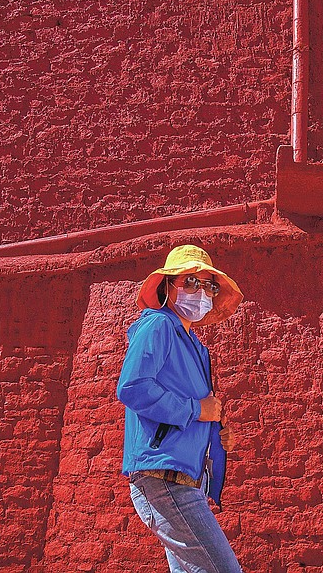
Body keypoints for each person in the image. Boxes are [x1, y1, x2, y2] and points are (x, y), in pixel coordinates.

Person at [117, 244, 244, 573]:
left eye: (208, 285)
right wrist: (196, 410)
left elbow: (195, 411)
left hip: (185, 481)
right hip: (163, 478)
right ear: (166, 287)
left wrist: (214, 432)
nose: (200, 292)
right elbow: (133, 387)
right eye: (190, 282)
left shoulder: (197, 348)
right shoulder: (158, 325)